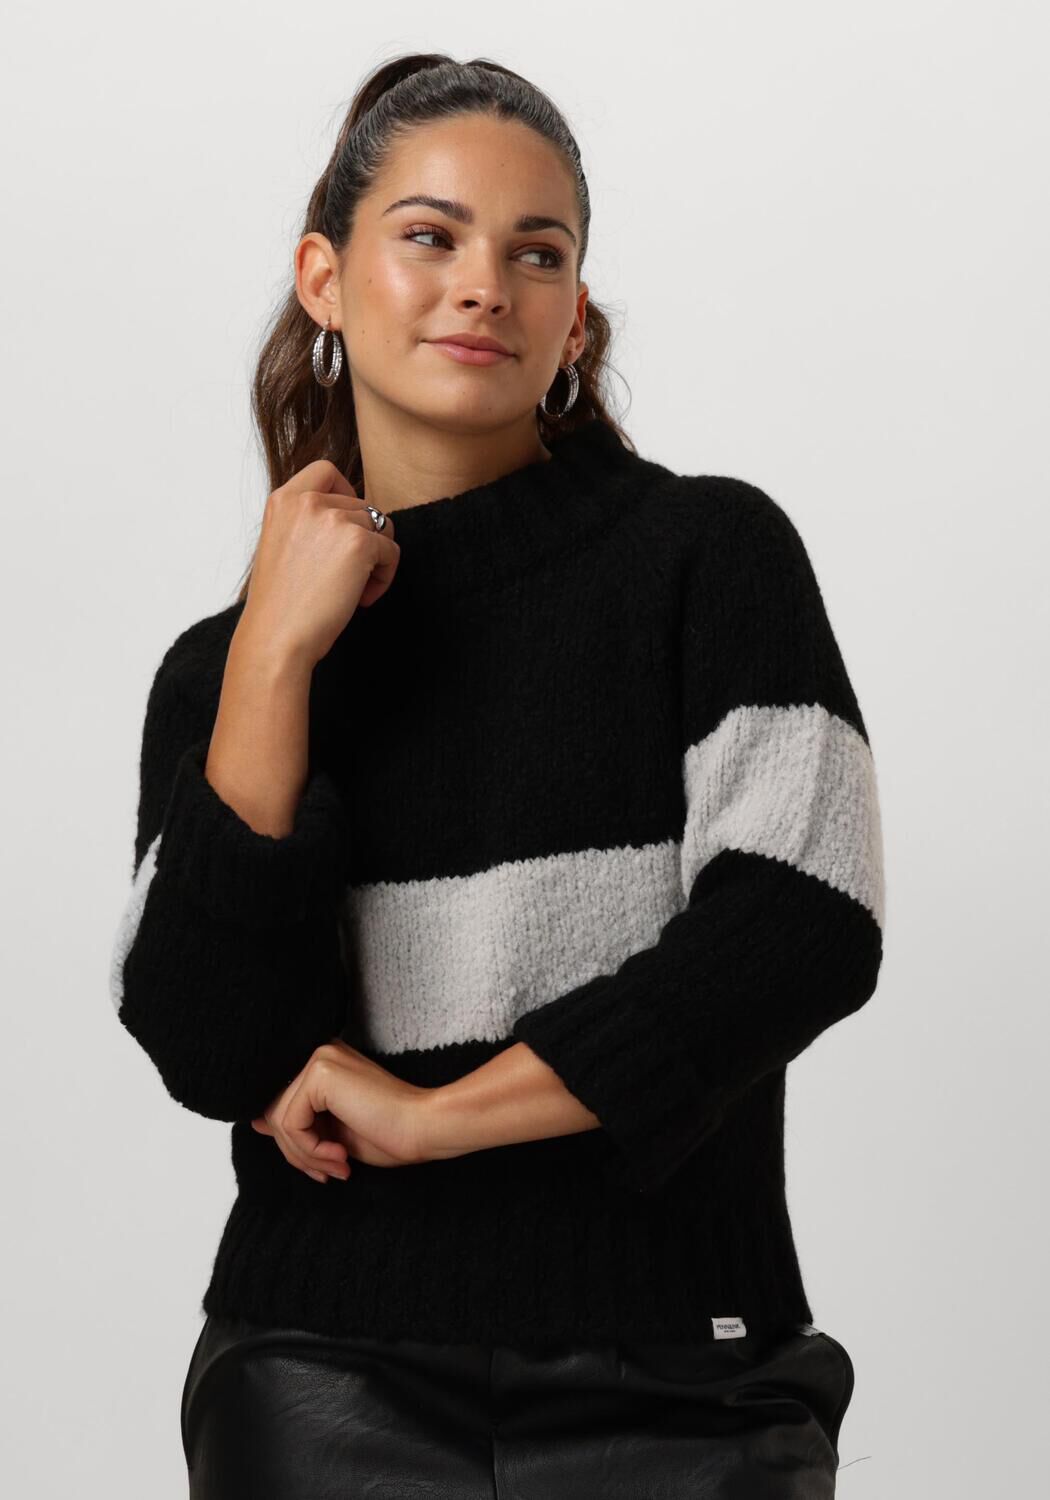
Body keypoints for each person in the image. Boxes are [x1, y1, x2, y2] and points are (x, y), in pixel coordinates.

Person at [110, 52, 884, 1499]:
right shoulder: (220, 670)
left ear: (573, 313)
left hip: (687, 1374)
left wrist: (438, 1117)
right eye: (431, 236)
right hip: (318, 1378)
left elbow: (800, 928)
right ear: (324, 278)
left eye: (537, 252)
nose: (484, 286)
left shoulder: (707, 557)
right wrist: (273, 658)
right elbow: (211, 1044)